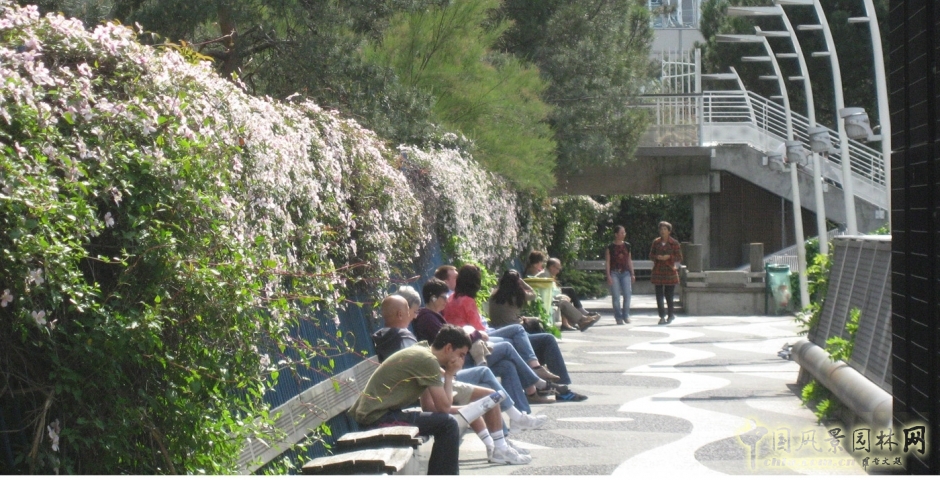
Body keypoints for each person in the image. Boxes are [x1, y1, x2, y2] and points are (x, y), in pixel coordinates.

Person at [375, 292, 538, 464]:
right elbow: (437, 406)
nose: (414, 315)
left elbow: (429, 393)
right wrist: (451, 375)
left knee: (495, 384)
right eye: (411, 310)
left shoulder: (400, 338)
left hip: (409, 396)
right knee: (458, 417)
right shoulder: (403, 339)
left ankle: (499, 445)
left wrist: (450, 377)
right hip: (387, 413)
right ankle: (499, 444)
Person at [443, 264, 588, 402]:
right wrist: (523, 284)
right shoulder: (468, 301)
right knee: (526, 334)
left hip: (478, 336)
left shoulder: (455, 299)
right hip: (478, 339)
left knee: (538, 338)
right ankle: (543, 376)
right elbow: (480, 329)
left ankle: (536, 386)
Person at [349, 321, 471, 475]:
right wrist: (449, 374)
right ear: (448, 348)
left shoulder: (424, 353)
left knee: (446, 424)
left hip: (379, 414)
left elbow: (428, 407)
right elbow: (444, 408)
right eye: (461, 354)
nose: (462, 361)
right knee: (448, 425)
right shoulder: (427, 360)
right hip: (376, 417)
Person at [414, 279, 558, 409]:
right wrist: (475, 334)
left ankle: (521, 412)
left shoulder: (435, 316)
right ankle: (535, 379)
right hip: (457, 361)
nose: (446, 301)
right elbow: (452, 342)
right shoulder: (428, 318)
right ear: (433, 298)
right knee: (508, 345)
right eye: (444, 297)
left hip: (463, 354)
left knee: (507, 364)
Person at [491, 269, 599, 333]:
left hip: (497, 325)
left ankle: (582, 320)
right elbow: (533, 294)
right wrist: (522, 282)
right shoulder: (518, 294)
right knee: (537, 322)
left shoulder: (494, 294)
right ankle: (582, 321)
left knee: (559, 303)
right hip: (512, 325)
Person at [536, 259, 600, 331]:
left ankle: (581, 320)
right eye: (557, 268)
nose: (558, 271)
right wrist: (561, 296)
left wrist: (561, 296)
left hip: (547, 298)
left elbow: (552, 291)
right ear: (552, 267)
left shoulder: (547, 274)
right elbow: (549, 292)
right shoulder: (544, 275)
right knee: (562, 302)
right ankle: (582, 320)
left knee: (564, 299)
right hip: (544, 300)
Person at [650, 221, 683, 325]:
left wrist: (669, 257)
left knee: (669, 295)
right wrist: (657, 257)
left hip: (670, 271)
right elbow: (651, 255)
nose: (663, 231)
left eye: (665, 229)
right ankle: (662, 316)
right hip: (658, 271)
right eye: (661, 229)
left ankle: (670, 314)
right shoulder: (656, 242)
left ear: (669, 231)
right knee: (659, 295)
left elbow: (679, 257)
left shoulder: (674, 243)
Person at [605, 225, 635, 325]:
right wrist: (608, 275)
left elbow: (629, 260)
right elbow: (608, 262)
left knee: (627, 294)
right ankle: (618, 316)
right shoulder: (610, 247)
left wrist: (632, 273)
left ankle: (626, 315)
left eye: (624, 232)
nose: (623, 234)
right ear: (616, 234)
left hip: (625, 272)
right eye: (622, 232)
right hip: (614, 272)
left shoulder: (627, 245)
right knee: (616, 296)